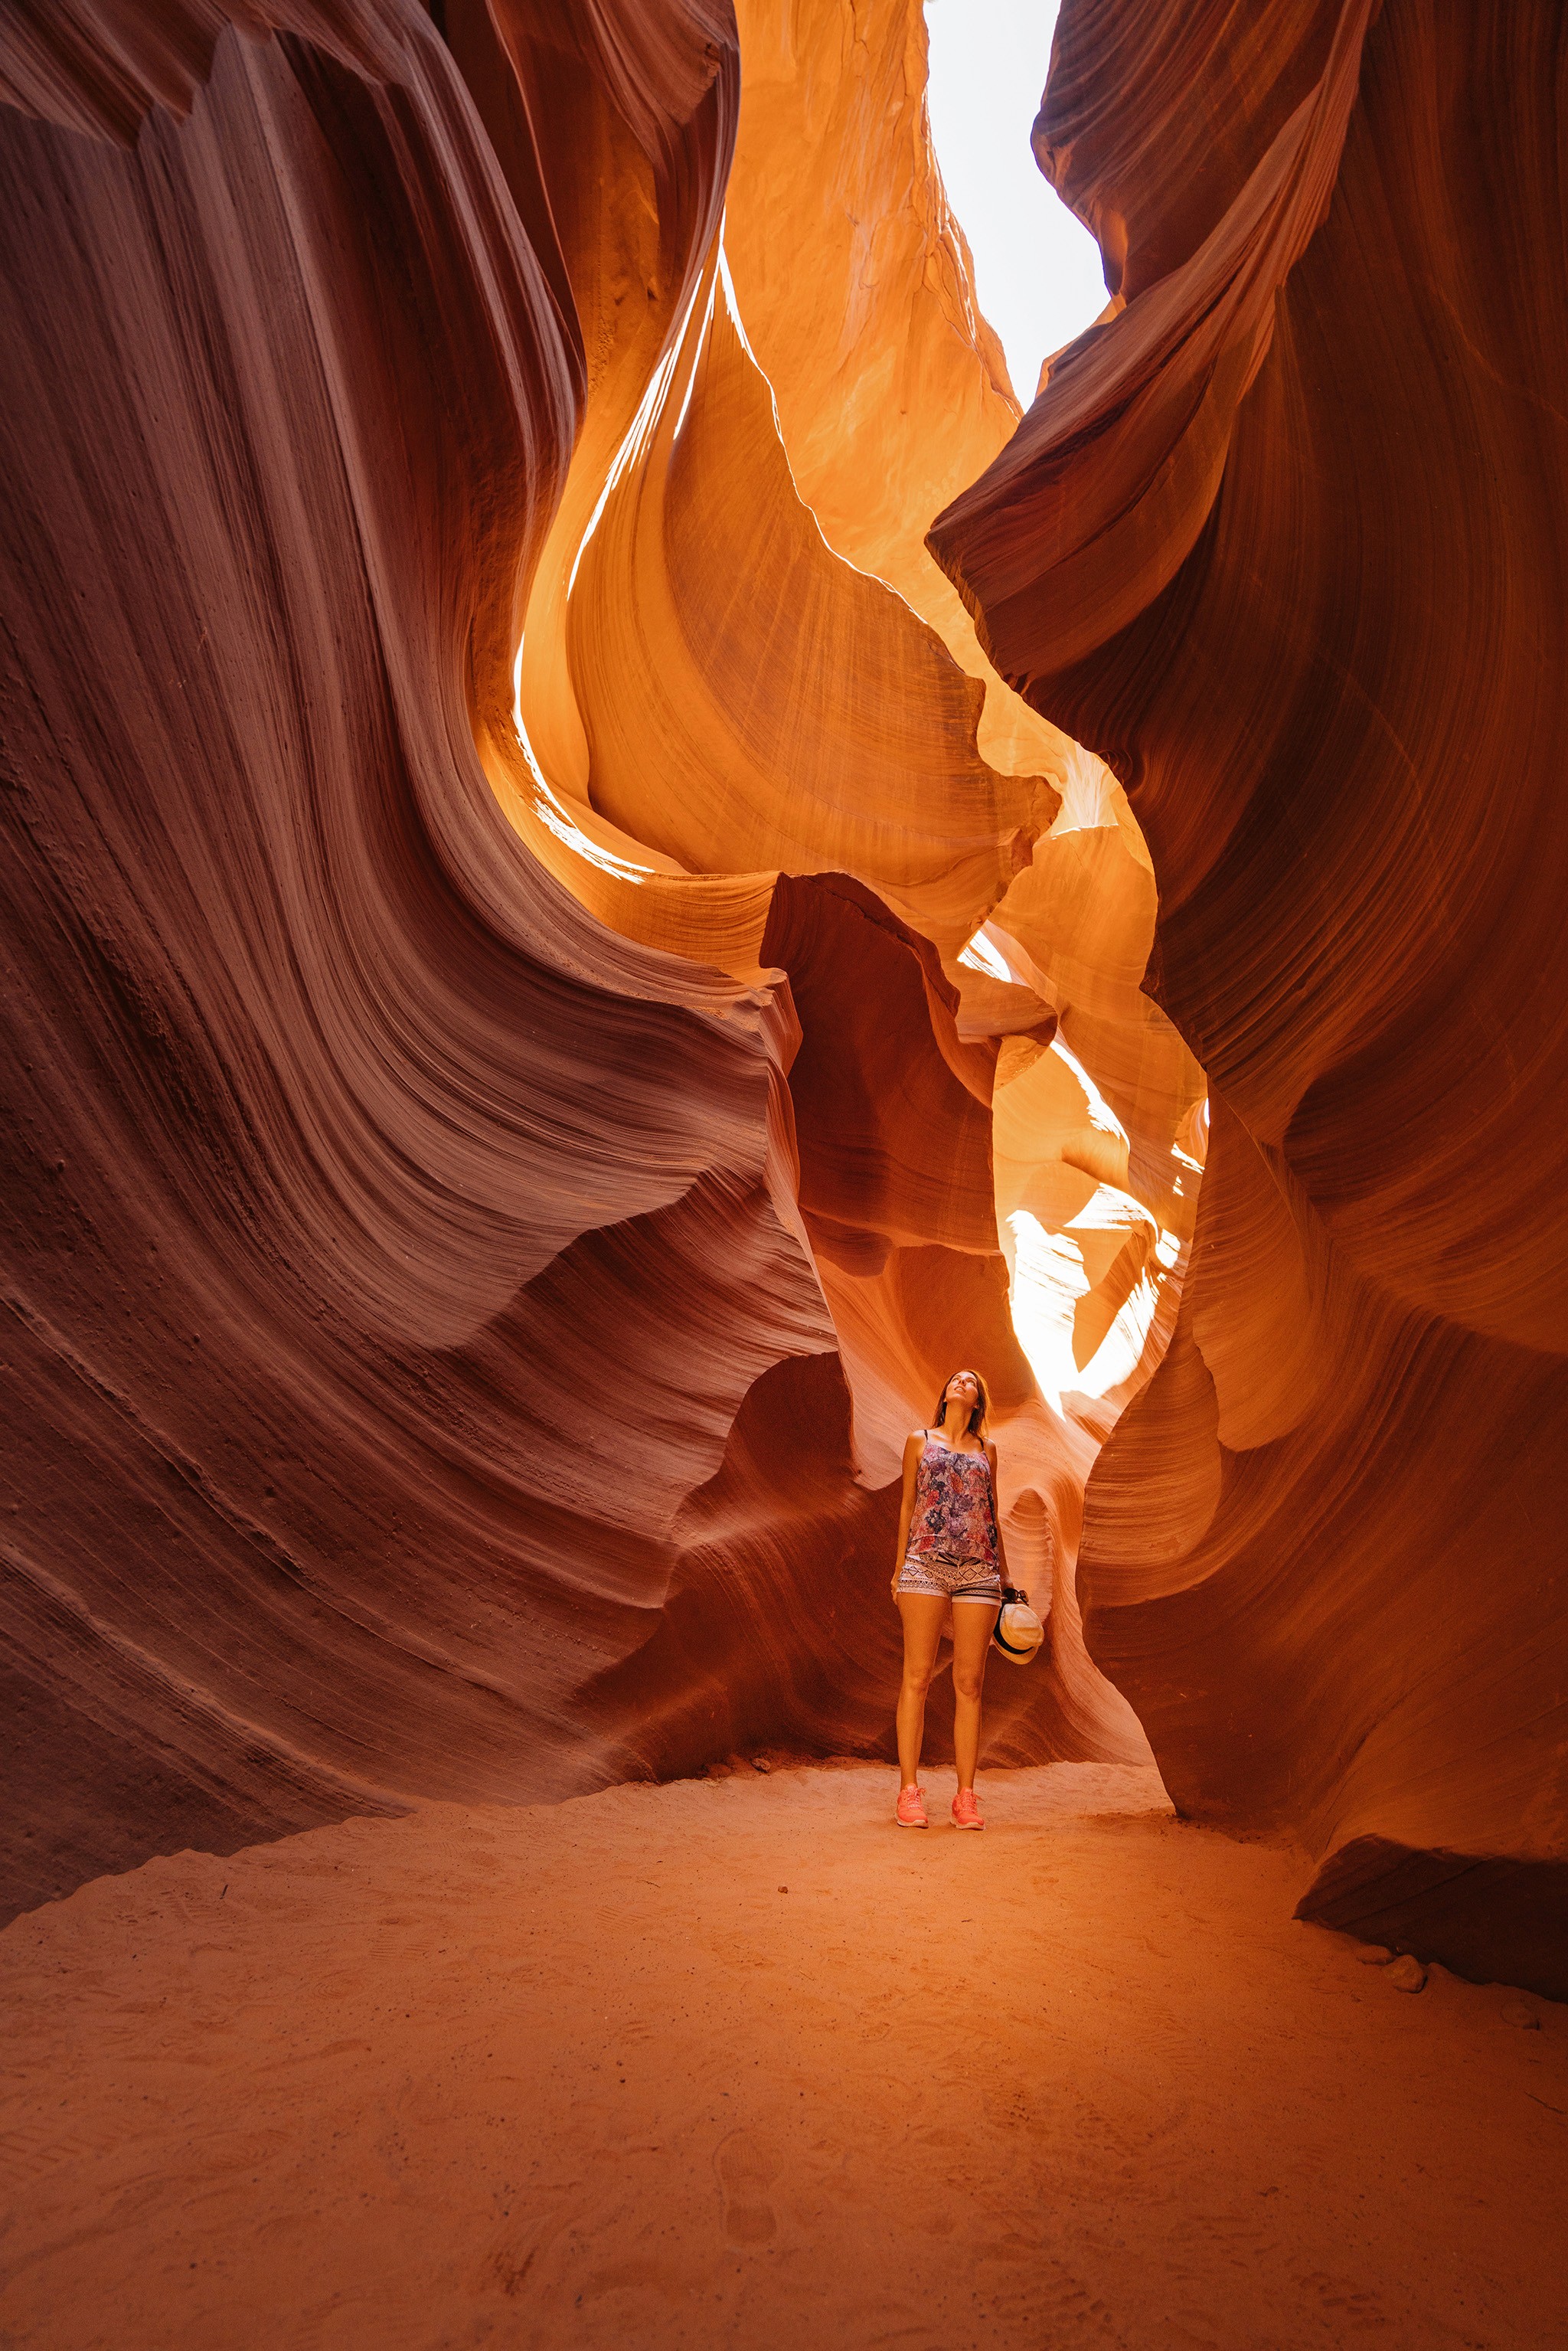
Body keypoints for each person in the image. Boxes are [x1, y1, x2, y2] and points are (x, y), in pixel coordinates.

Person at [890, 1367, 1022, 1830]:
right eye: (956, 1378)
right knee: (918, 1676)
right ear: (945, 1394)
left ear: (978, 1401)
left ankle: (965, 1796)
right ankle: (909, 1791)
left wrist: (1006, 1580)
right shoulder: (919, 1440)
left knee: (970, 1685)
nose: (962, 1382)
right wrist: (898, 1566)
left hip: (978, 1570)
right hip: (924, 1564)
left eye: (971, 1381)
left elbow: (992, 1515)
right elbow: (907, 1504)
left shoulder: (988, 1450)